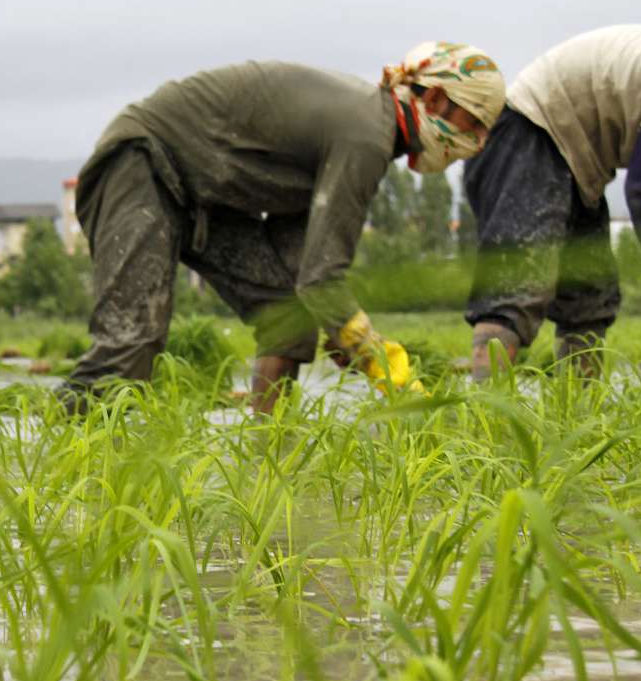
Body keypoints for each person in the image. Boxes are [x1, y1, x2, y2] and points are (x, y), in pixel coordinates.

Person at [59, 42, 505, 413]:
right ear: (433, 99)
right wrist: (383, 366)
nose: (477, 143)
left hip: (202, 197)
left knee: (286, 315)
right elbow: (323, 281)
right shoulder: (365, 135)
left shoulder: (366, 136)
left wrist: (339, 332)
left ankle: (268, 460)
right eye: (474, 123)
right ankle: (60, 465)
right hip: (144, 163)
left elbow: (303, 270)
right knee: (132, 341)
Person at [463, 25, 641, 380]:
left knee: (589, 298)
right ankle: (483, 417)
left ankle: (574, 419)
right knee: (517, 287)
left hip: (573, 158)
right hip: (530, 136)